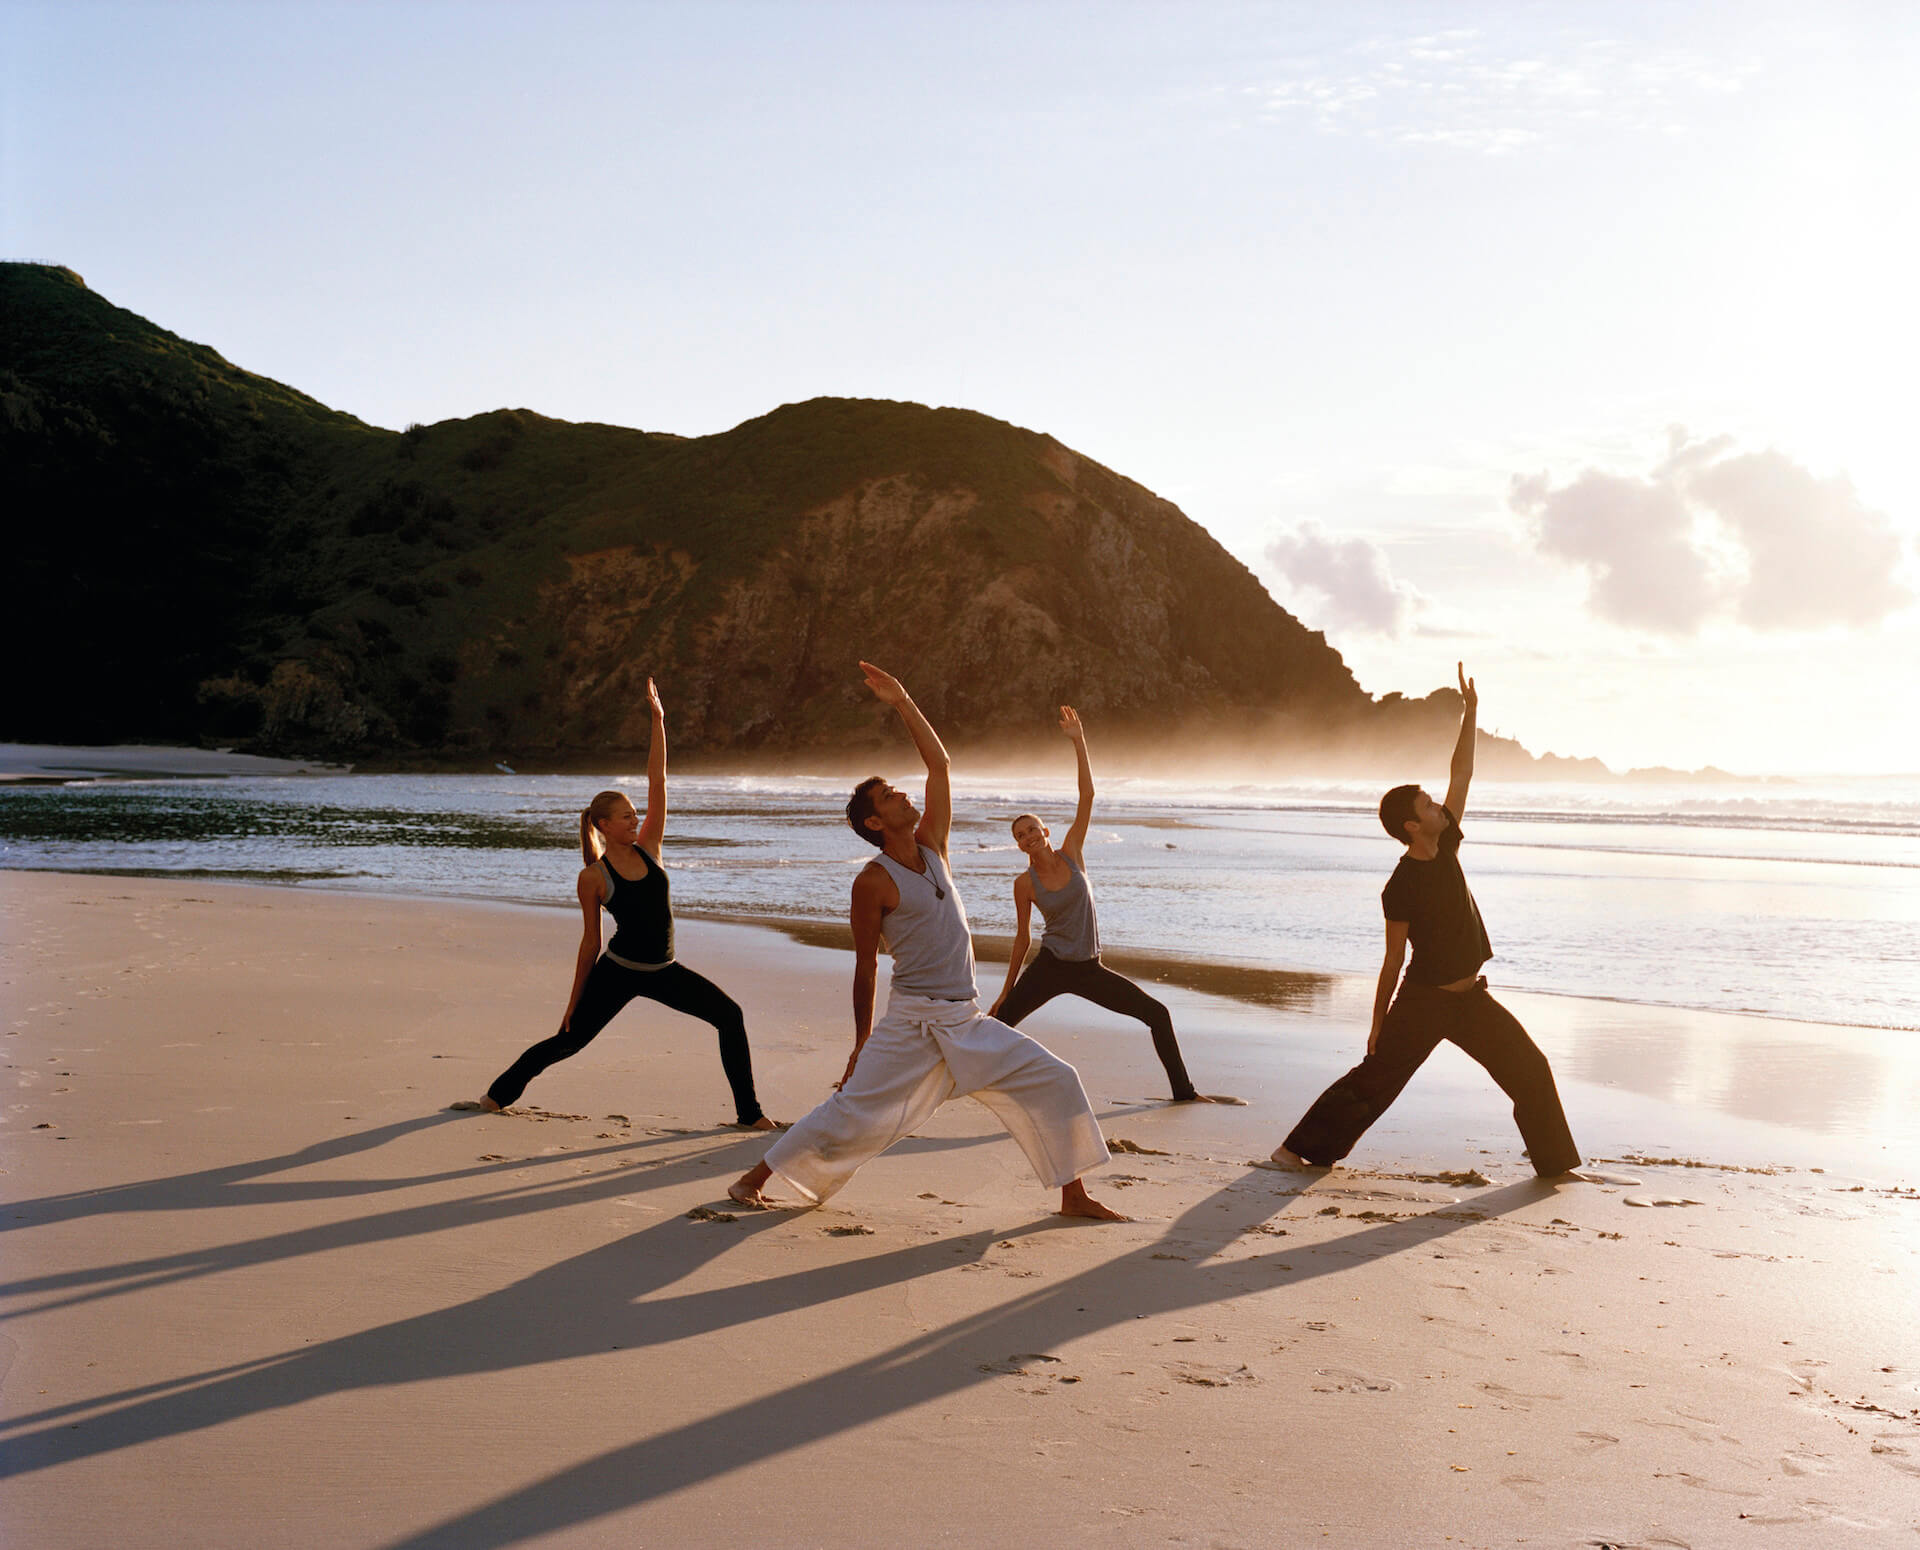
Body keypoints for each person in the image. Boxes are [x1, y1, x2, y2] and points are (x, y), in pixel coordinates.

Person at [730, 663, 1124, 1219]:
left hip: (965, 1017)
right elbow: (865, 967)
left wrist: (903, 701)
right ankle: (753, 1180)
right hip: (912, 1022)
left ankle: (1074, 1195)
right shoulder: (872, 881)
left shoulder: (933, 845)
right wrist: (861, 1040)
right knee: (852, 1109)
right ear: (873, 821)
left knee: (1057, 1078)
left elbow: (939, 763)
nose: (902, 795)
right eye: (888, 796)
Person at [1271, 665, 1581, 1178]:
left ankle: (1555, 1166)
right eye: (1429, 804)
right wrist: (1377, 1024)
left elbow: (1462, 774)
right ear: (1413, 825)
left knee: (1531, 1068)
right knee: (1377, 1080)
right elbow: (1393, 959)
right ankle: (1295, 1151)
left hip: (1470, 998)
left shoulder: (1446, 845)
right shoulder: (1400, 885)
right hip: (1424, 1002)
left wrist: (1472, 712)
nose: (1441, 804)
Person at [452, 678, 778, 1130]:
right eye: (626, 816)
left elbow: (657, 780)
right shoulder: (594, 877)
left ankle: (750, 1115)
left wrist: (659, 720)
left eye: (634, 814)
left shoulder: (651, 847)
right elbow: (590, 942)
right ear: (604, 825)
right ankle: (496, 1096)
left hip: (664, 970)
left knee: (730, 1016)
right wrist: (574, 1000)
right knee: (568, 1041)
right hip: (619, 971)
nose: (635, 819)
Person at [989, 706, 1239, 1105]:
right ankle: (952, 1080)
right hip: (1050, 967)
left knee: (1157, 1015)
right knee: (995, 1025)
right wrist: (1007, 990)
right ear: (1018, 845)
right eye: (1020, 835)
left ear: (1045, 831)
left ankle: (1184, 1093)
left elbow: (1087, 796)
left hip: (1090, 969)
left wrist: (1079, 740)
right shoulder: (1024, 884)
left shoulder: (1072, 852)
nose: (1028, 836)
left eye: (1032, 828)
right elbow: (1022, 939)